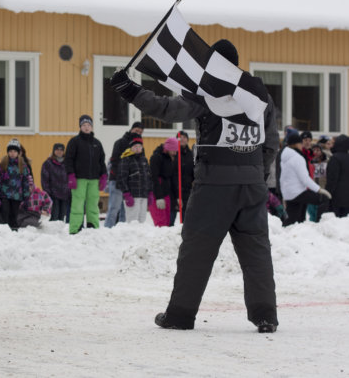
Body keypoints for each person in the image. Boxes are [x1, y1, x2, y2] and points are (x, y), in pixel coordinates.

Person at [110, 39, 280, 332]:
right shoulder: (258, 93)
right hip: (251, 186)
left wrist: (131, 90)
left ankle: (179, 315)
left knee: (197, 251)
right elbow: (271, 142)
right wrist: (256, 173)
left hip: (214, 185)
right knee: (257, 253)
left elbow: (168, 109)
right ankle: (265, 316)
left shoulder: (208, 92)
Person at [65, 114, 107, 234]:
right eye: (84, 125)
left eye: (89, 125)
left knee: (93, 204)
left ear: (92, 127)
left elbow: (101, 161)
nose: (87, 127)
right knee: (77, 205)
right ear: (80, 127)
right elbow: (69, 160)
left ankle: (92, 227)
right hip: (79, 179)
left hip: (94, 179)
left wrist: (103, 175)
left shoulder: (97, 143)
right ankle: (75, 229)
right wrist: (70, 175)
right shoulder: (74, 142)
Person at [279, 132, 331, 226]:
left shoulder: (285, 156)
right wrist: (319, 190)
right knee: (324, 199)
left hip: (288, 193)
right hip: (298, 192)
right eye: (301, 143)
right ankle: (321, 225)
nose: (302, 145)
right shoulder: (297, 157)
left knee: (292, 219)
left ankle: (283, 233)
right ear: (296, 144)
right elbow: (305, 179)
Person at [104, 122, 144, 228]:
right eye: (136, 130)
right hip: (117, 180)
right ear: (131, 129)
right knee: (114, 208)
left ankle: (122, 231)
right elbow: (115, 161)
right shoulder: (120, 142)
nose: (138, 133)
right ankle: (107, 230)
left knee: (125, 210)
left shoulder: (140, 146)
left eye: (140, 132)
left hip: (130, 184)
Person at [0, 138, 31, 230]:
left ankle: (14, 230)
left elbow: (25, 181)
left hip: (17, 195)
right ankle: (4, 230)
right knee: (5, 213)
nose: (12, 153)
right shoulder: (4, 163)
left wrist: (26, 195)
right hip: (5, 195)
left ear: (18, 152)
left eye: (15, 151)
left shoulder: (22, 165)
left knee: (14, 214)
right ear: (8, 152)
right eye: (10, 151)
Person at [117, 136, 151, 223]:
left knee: (142, 220)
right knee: (132, 220)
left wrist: (150, 192)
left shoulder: (144, 160)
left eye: (139, 146)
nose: (137, 148)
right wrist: (126, 193)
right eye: (135, 146)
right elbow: (121, 178)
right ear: (131, 148)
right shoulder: (126, 160)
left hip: (143, 195)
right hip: (132, 196)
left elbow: (148, 177)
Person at [148, 137, 179, 227]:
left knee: (167, 221)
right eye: (173, 150)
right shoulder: (156, 157)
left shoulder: (170, 158)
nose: (175, 152)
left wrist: (177, 196)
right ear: (168, 148)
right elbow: (154, 178)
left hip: (166, 193)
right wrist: (158, 197)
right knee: (160, 223)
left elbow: (173, 178)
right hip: (156, 194)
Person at [40, 143, 69, 221]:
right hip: (53, 195)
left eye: (61, 150)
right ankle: (52, 232)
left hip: (65, 194)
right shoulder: (48, 163)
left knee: (62, 216)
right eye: (57, 150)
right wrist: (48, 193)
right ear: (53, 151)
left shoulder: (67, 163)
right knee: (54, 216)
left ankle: (60, 232)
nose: (59, 152)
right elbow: (44, 180)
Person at [325, 134, 349, 218]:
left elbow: (332, 179)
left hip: (336, 198)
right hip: (347, 198)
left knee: (335, 222)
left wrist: (327, 194)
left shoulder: (335, 158)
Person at [173, 131, 195, 224]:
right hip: (174, 188)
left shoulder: (191, 154)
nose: (182, 139)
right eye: (180, 137)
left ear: (187, 140)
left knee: (187, 213)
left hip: (187, 188)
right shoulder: (173, 153)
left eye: (184, 137)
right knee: (172, 214)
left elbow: (194, 170)